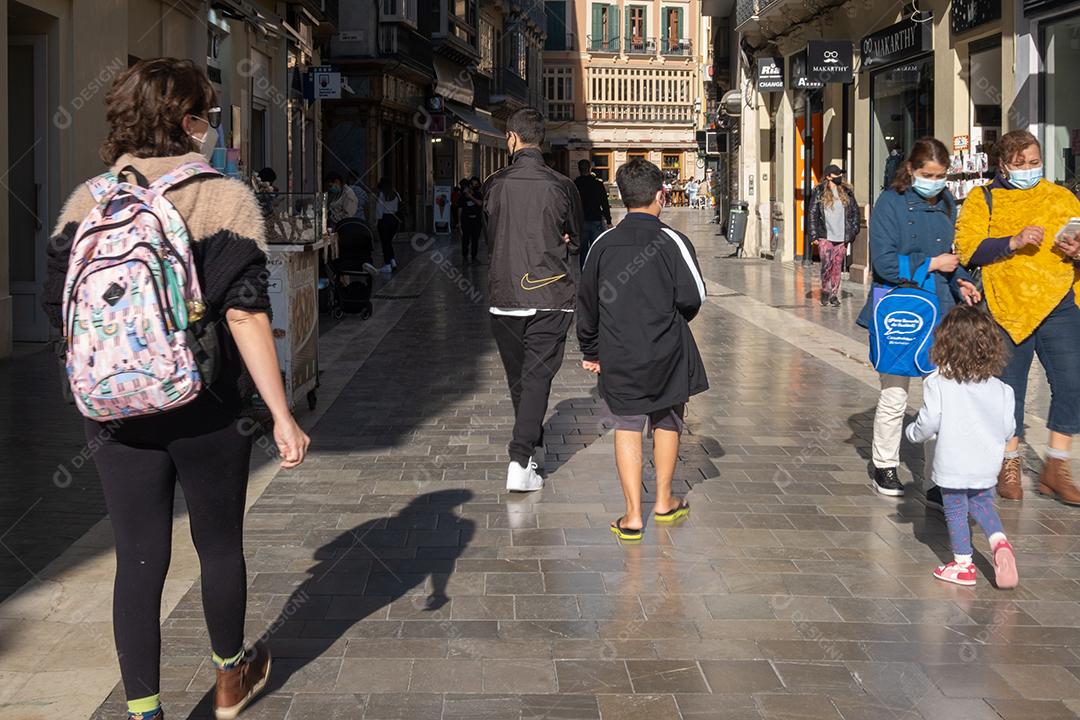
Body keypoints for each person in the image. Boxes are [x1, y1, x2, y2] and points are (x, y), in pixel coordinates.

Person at [42, 58, 310, 720]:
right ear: (189, 122)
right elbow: (246, 313)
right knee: (218, 544)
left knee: (137, 555)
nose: (214, 129)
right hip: (208, 406)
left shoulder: (88, 200)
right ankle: (229, 680)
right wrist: (282, 414)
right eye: (211, 117)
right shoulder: (224, 196)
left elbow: (57, 305)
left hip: (113, 413)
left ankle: (144, 712)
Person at [577, 158, 708, 540]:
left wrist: (591, 349)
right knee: (668, 419)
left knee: (628, 425)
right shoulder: (673, 241)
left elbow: (586, 302)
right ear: (660, 196)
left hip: (619, 351)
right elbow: (694, 297)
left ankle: (633, 516)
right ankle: (664, 501)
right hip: (667, 349)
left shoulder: (603, 244)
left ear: (621, 195)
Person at [955, 129, 1080, 503]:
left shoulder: (1062, 197)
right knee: (1010, 393)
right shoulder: (983, 198)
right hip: (1005, 304)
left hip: (1059, 301)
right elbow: (968, 249)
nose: (1029, 169)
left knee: (1073, 384)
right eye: (1020, 163)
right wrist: (1012, 241)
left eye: (1035, 162)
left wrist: (1076, 250)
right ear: (1003, 166)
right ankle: (1009, 461)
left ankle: (1056, 465)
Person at [856, 137, 981, 502]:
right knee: (895, 396)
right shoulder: (889, 203)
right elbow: (884, 263)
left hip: (940, 311)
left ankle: (936, 479)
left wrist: (963, 282)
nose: (936, 181)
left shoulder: (946, 203)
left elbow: (950, 260)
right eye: (928, 174)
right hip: (902, 312)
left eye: (942, 175)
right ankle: (885, 465)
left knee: (941, 400)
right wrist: (931, 264)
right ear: (911, 170)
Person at [484, 107, 583, 492]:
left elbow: (490, 236)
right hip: (550, 293)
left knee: (520, 378)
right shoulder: (562, 185)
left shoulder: (495, 183)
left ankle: (527, 449)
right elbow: (575, 233)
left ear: (511, 139)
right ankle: (521, 457)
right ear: (540, 140)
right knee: (537, 376)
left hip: (505, 292)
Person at [905, 305, 1019, 588]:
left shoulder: (938, 383)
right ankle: (999, 542)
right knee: (982, 503)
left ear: (945, 343)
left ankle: (963, 564)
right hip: (986, 463)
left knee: (955, 510)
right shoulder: (1003, 389)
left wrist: (912, 433)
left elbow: (929, 421)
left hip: (953, 463)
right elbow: (1008, 430)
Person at [808, 164, 860, 306]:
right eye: (836, 174)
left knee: (837, 266)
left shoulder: (846, 192)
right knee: (826, 265)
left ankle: (834, 295)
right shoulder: (819, 192)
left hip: (842, 237)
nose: (839, 177)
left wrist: (853, 231)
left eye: (840, 174)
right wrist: (814, 235)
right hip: (825, 236)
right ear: (828, 177)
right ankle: (825, 289)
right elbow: (812, 214)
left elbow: (855, 212)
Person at [573, 159, 612, 269]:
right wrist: (608, 220)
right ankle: (595, 271)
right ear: (590, 169)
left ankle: (583, 271)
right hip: (595, 219)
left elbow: (571, 204)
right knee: (596, 248)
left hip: (581, 221)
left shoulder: (575, 184)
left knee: (583, 250)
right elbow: (604, 203)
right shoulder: (597, 184)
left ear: (579, 169)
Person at [374, 176, 403, 273]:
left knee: (384, 243)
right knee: (389, 242)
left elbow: (379, 209)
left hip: (385, 220)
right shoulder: (396, 193)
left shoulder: (382, 194)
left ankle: (387, 265)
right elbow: (400, 205)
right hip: (394, 220)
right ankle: (393, 261)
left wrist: (377, 221)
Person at [459, 176, 483, 263]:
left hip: (476, 221)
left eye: (477, 184)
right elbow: (460, 209)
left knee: (475, 239)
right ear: (470, 185)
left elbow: (480, 203)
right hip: (466, 221)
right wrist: (459, 222)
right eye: (474, 184)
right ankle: (465, 256)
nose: (476, 186)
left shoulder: (478, 194)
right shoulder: (463, 196)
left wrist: (471, 197)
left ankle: (474, 256)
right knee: (465, 239)